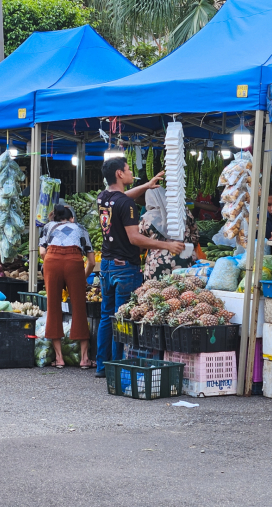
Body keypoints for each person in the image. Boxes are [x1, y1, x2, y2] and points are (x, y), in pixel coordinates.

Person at [95, 157, 185, 378]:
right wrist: (167, 245)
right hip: (125, 267)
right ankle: (117, 366)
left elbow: (121, 198)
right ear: (119, 174)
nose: (130, 173)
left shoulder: (103, 198)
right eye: (127, 170)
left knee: (107, 317)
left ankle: (102, 367)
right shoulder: (127, 205)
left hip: (106, 266)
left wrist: (147, 185)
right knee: (123, 317)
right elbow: (135, 238)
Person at [39, 204, 96, 369]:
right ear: (71, 217)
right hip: (74, 262)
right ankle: (84, 359)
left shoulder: (48, 227)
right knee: (79, 308)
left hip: (52, 261)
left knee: (53, 306)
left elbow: (43, 252)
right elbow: (91, 262)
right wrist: (81, 278)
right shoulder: (80, 228)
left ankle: (59, 359)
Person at [138, 186, 200, 280]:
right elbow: (195, 236)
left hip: (158, 264)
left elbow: (140, 242)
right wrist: (186, 242)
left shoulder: (147, 219)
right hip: (184, 259)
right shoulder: (183, 212)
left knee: (157, 292)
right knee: (185, 290)